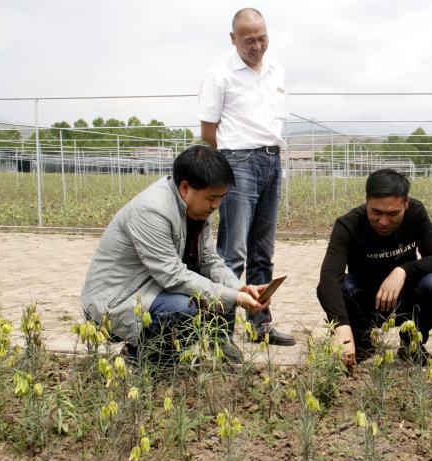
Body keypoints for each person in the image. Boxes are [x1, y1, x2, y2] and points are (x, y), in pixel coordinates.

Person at [81, 146, 271, 364]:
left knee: (217, 293)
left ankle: (160, 354)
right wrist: (234, 298)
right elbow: (172, 275)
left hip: (150, 291)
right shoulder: (152, 210)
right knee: (186, 310)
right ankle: (139, 358)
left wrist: (239, 288)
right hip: (114, 303)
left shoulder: (197, 210)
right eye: (212, 198)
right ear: (185, 188)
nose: (216, 205)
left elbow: (210, 260)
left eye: (221, 197)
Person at [197, 7, 293, 346]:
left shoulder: (276, 71)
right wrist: (226, 168)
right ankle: (220, 330)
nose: (257, 45)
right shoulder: (220, 75)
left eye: (263, 38)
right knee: (232, 251)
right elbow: (209, 131)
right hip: (238, 162)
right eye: (249, 39)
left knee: (263, 251)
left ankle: (259, 324)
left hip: (271, 159)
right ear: (233, 39)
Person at [317, 169, 432, 367]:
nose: (383, 222)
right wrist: (341, 327)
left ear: (406, 202)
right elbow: (329, 276)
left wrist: (403, 270)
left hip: (405, 300)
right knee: (334, 287)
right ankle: (361, 341)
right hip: (366, 303)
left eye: (393, 214)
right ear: (367, 200)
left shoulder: (415, 212)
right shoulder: (348, 224)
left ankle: (411, 344)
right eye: (376, 212)